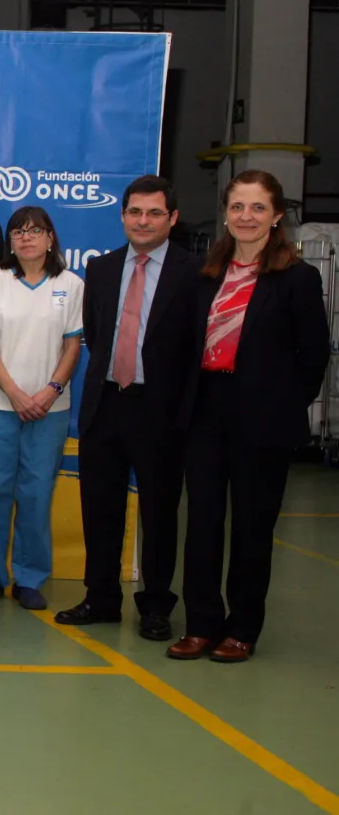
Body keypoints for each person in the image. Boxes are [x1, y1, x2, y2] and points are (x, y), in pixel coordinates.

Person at [167, 170, 328, 664]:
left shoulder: (298, 277)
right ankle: (201, 624)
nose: (246, 217)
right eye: (238, 207)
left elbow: (314, 355)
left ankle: (242, 628)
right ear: (225, 213)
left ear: (277, 215)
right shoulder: (203, 275)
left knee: (253, 529)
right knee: (203, 523)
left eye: (258, 208)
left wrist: (279, 406)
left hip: (264, 420)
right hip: (207, 413)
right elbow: (181, 345)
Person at [56, 176, 201, 640]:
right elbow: (98, 337)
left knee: (158, 513)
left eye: (154, 213)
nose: (143, 221)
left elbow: (192, 346)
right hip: (106, 404)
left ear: (172, 219)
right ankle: (100, 597)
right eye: (135, 212)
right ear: (122, 217)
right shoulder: (101, 269)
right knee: (100, 507)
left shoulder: (194, 273)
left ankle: (156, 605)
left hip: (160, 408)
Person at [0, 207, 83, 611]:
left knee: (36, 493)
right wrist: (14, 393)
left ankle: (30, 578)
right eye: (18, 231)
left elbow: (72, 346)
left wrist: (49, 391)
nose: (26, 237)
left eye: (35, 231)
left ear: (51, 238)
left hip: (50, 408)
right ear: (10, 240)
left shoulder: (71, 285)